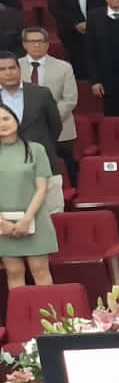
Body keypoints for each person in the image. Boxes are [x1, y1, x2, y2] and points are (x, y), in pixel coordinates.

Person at [0, 102, 56, 290]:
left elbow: (42, 188)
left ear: (16, 120)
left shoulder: (36, 149)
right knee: (14, 271)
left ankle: (48, 310)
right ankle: (22, 309)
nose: (2, 124)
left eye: (6, 118)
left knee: (40, 271)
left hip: (35, 218)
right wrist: (1, 222)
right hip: (2, 224)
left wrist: (27, 219)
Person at [18, 28, 77, 177]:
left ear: (47, 44)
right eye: (32, 41)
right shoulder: (14, 67)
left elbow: (70, 99)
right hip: (24, 130)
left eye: (40, 41)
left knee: (65, 170)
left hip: (61, 129)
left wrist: (49, 118)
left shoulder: (64, 67)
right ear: (24, 44)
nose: (36, 45)